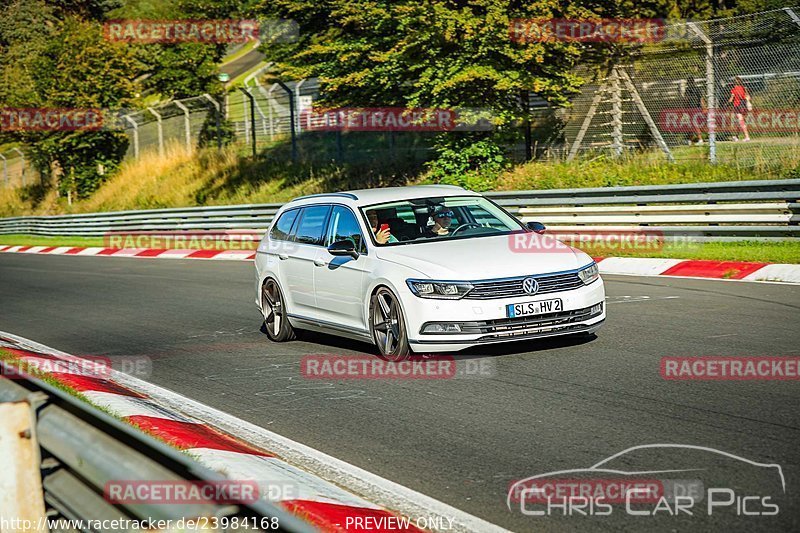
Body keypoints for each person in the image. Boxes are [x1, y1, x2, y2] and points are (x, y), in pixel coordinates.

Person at [727, 76, 751, 142]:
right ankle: (737, 136)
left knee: (741, 121)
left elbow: (731, 99)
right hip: (744, 105)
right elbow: (748, 97)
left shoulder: (734, 89)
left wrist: (727, 103)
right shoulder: (744, 88)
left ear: (734, 83)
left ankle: (747, 136)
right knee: (740, 121)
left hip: (737, 105)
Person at [685, 78, 705, 144]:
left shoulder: (688, 89)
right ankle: (690, 140)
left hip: (693, 108)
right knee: (692, 124)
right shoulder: (696, 89)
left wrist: (704, 107)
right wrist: (703, 107)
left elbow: (686, 99)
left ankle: (700, 139)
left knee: (694, 124)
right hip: (696, 108)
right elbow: (701, 99)